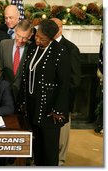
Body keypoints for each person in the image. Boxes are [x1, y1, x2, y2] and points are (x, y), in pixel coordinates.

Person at [19, 19, 70, 166]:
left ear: (52, 38)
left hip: (50, 110)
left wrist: (57, 109)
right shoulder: (32, 48)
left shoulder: (60, 52)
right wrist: (22, 100)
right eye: (37, 36)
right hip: (32, 106)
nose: (38, 40)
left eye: (43, 39)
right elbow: (25, 75)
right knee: (37, 146)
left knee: (49, 149)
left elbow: (64, 84)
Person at [50, 18, 81, 166]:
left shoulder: (70, 48)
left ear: (61, 29)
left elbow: (75, 80)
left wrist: (64, 102)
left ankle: (60, 163)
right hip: (47, 101)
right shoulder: (44, 45)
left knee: (62, 137)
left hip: (63, 102)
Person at [0, 19, 33, 108]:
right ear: (15, 31)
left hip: (24, 96)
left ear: (30, 36)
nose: (20, 40)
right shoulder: (3, 44)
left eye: (24, 37)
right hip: (5, 93)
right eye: (18, 35)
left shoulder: (32, 48)